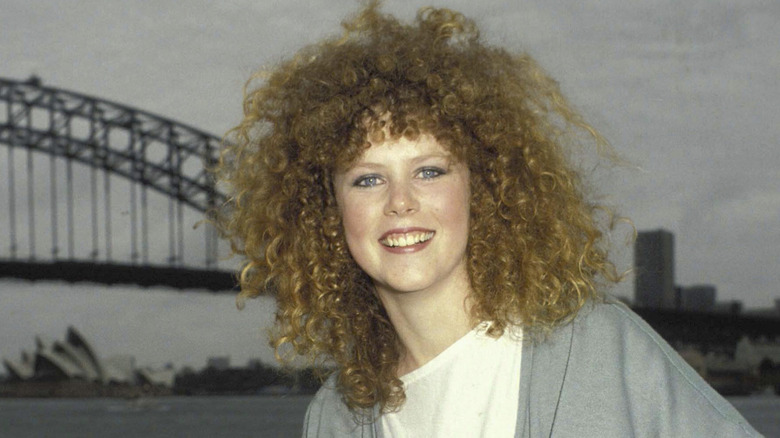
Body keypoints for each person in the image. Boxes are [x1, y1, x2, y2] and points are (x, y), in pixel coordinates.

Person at [215, 2, 761, 436]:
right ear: (327, 214)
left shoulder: (598, 349)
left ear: (486, 189)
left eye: (429, 171)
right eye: (367, 178)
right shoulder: (334, 419)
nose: (400, 201)